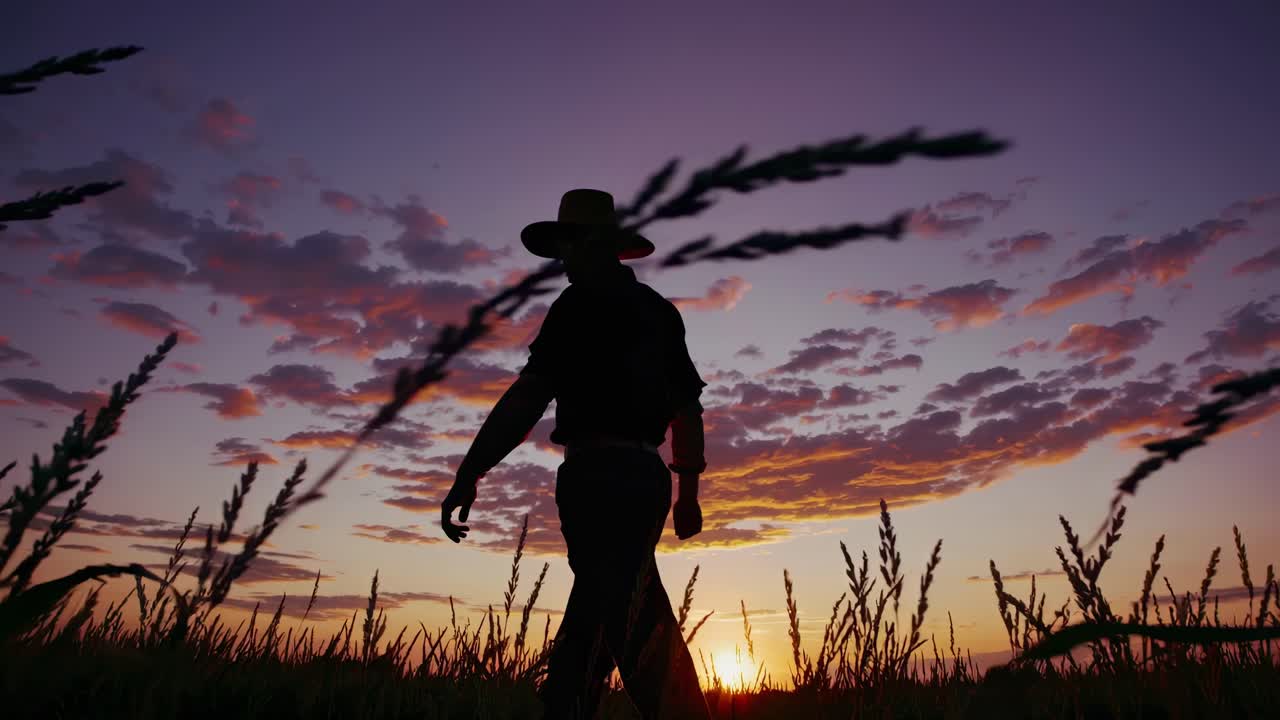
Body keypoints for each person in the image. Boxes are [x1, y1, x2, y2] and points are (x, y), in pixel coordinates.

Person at [441, 188, 712, 719]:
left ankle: (647, 709)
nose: (562, 263)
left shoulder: (576, 306)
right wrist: (685, 493)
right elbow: (688, 410)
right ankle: (565, 701)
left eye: (569, 248)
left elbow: (528, 397)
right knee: (604, 604)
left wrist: (471, 471)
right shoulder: (659, 312)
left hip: (596, 478)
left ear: (595, 245)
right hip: (644, 480)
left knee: (627, 615)